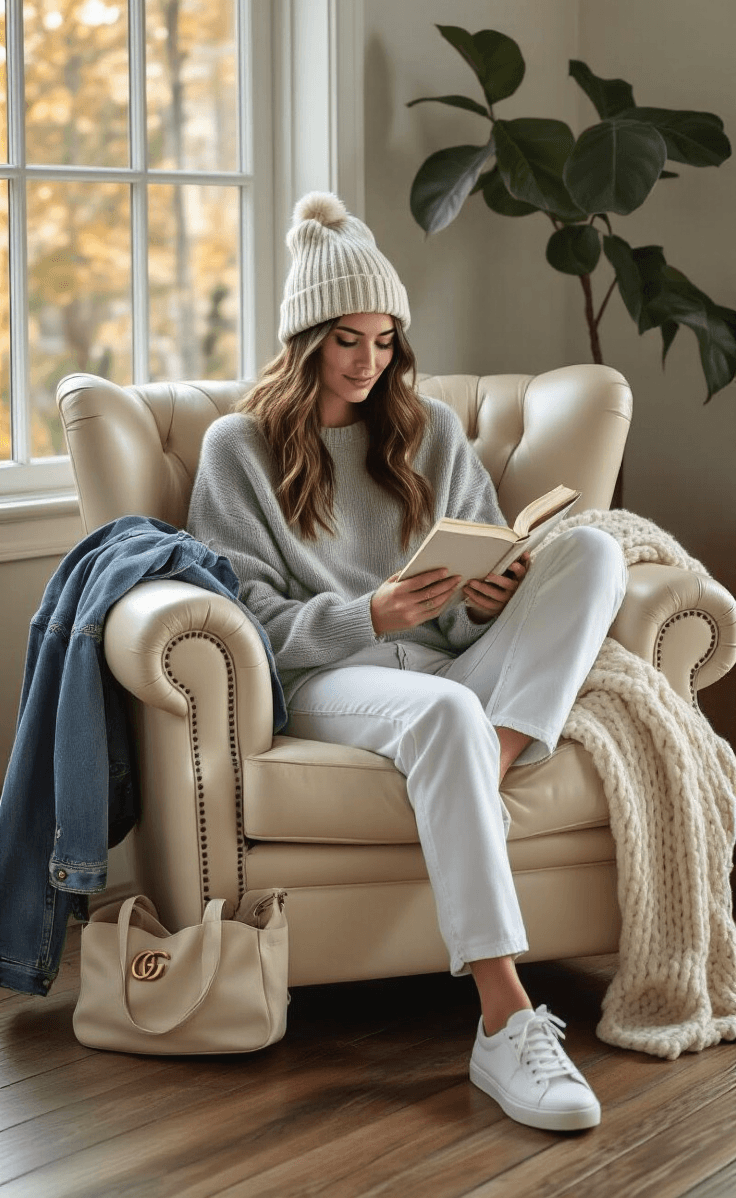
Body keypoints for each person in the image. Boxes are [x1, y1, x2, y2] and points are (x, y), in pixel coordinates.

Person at [187, 191, 627, 1132]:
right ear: (306, 339)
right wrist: (368, 613)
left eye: (385, 341)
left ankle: (485, 767)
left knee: (593, 551)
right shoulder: (238, 449)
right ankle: (505, 1020)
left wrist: (482, 603)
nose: (369, 362)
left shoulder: (429, 430)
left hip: (440, 666)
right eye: (347, 340)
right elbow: (248, 621)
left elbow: (469, 588)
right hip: (328, 679)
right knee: (446, 715)